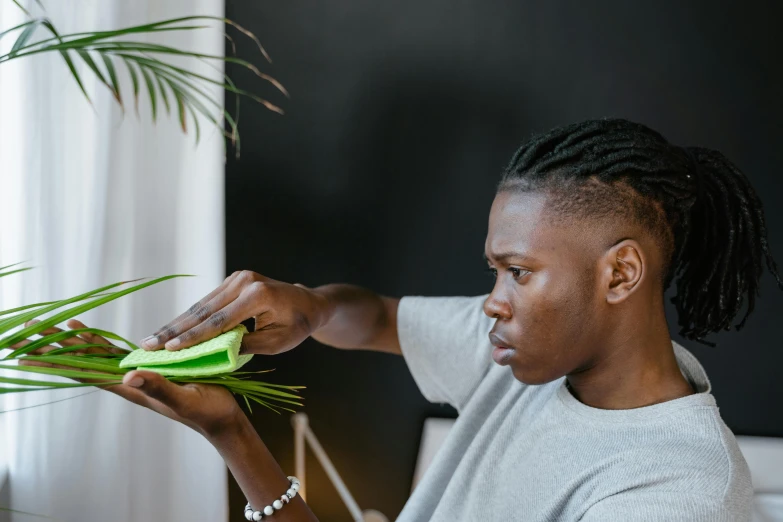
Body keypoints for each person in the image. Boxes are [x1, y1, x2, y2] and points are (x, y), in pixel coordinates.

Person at [18, 118, 782, 521]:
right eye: (494, 270)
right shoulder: (526, 352)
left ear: (619, 272)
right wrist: (310, 307)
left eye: (517, 272)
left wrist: (231, 434)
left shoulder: (673, 494)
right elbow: (375, 317)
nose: (492, 299)